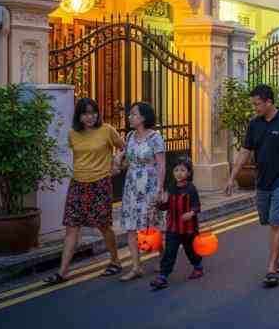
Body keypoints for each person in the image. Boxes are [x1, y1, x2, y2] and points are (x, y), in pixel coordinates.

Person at [226, 84, 279, 288]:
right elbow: (245, 151)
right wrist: (232, 176)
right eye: (253, 104)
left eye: (257, 104)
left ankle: (272, 268)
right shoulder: (254, 124)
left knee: (276, 223)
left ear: (269, 102)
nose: (255, 108)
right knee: (271, 221)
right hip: (262, 181)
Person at [45, 98, 125, 285]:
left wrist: (117, 163)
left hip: (100, 183)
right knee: (72, 227)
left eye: (93, 112)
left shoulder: (107, 130)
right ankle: (62, 272)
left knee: (103, 226)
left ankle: (115, 261)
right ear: (79, 116)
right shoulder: (73, 134)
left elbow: (124, 147)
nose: (90, 117)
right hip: (78, 184)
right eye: (85, 113)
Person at [114, 102, 166, 281]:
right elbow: (129, 162)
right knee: (131, 226)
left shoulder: (155, 138)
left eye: (133, 114)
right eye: (130, 114)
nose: (130, 117)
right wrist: (119, 161)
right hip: (131, 186)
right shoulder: (129, 136)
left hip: (149, 185)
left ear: (143, 117)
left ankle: (162, 257)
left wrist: (160, 188)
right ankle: (136, 267)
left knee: (152, 224)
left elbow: (161, 164)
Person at [150, 156, 203, 289]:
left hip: (188, 229)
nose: (179, 173)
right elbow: (166, 205)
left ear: (189, 173)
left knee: (191, 250)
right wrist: (158, 205)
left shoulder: (191, 188)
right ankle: (163, 276)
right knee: (169, 252)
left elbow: (197, 206)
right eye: (176, 170)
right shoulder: (171, 187)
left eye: (182, 170)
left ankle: (198, 266)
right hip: (173, 227)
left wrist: (190, 213)